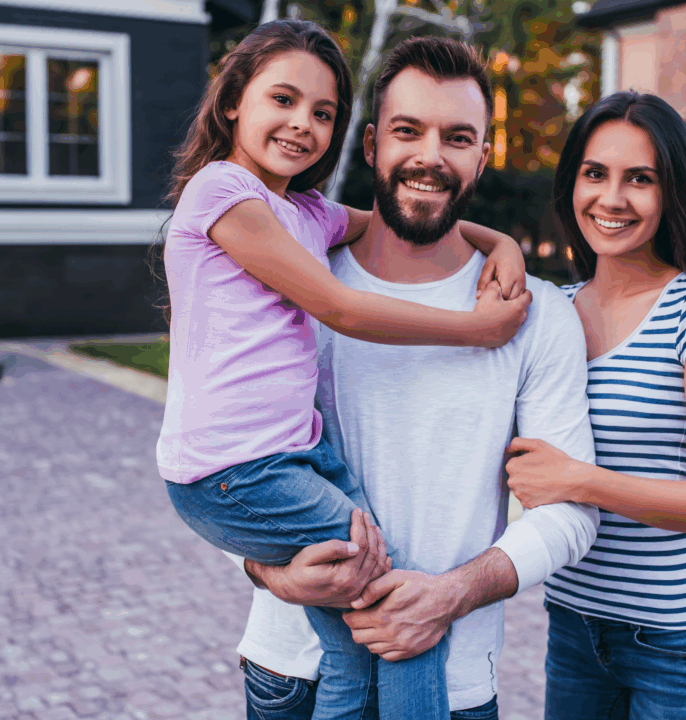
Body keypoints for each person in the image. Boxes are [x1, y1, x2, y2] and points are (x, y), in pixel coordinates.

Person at [157, 19, 535, 720]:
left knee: (362, 629)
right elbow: (340, 308)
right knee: (397, 610)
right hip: (238, 469)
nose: (302, 124)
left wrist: (502, 242)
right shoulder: (220, 192)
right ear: (234, 99)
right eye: (284, 99)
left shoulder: (303, 212)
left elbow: (395, 220)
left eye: (323, 112)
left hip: (292, 459)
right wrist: (475, 331)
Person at [232, 36, 601, 720]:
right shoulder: (293, 288)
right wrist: (268, 572)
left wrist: (452, 592)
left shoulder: (537, 314)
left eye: (457, 137)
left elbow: (571, 515)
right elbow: (230, 463)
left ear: (482, 157)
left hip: (452, 678)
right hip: (294, 672)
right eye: (408, 131)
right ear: (371, 144)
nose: (430, 156)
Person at [504, 91, 686, 720]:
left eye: (639, 179)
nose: (611, 199)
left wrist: (578, 481)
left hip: (677, 644)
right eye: (595, 173)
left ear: (671, 194)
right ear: (572, 184)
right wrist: (498, 245)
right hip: (573, 626)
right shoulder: (552, 310)